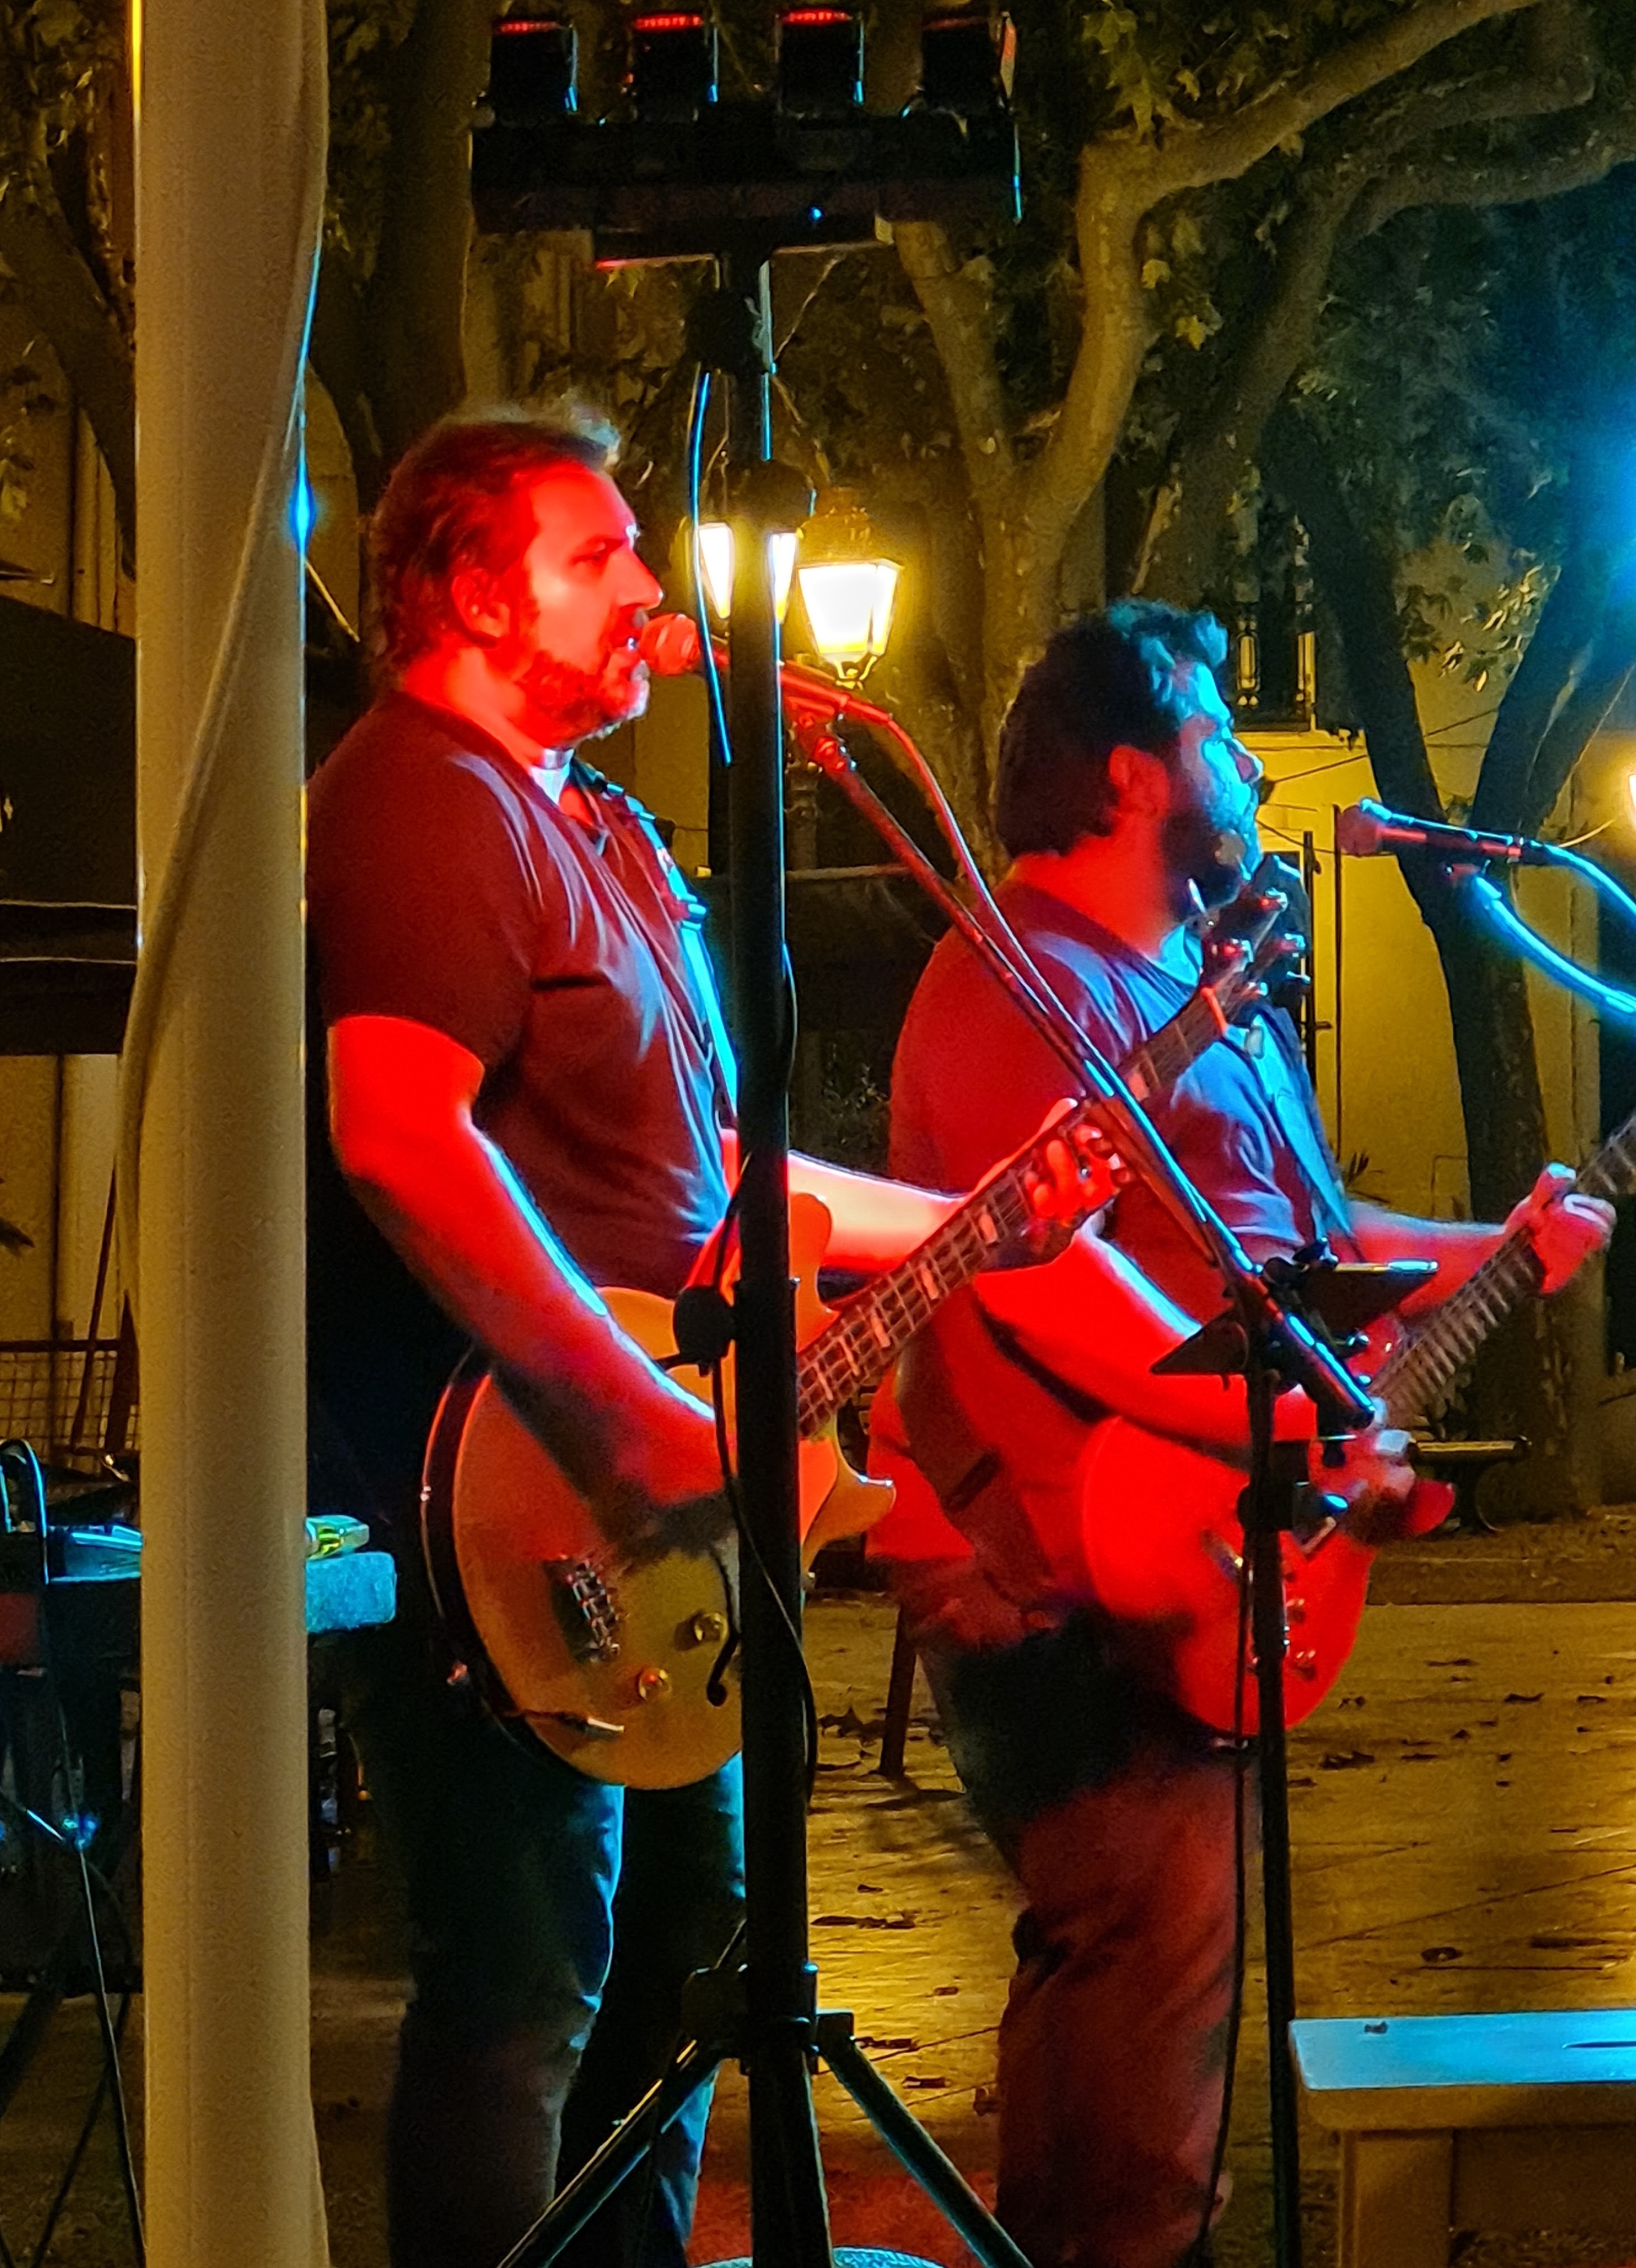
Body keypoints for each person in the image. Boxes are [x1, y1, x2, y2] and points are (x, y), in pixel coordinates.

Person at [303, 407, 1076, 2268]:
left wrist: (980, 1216)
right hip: (504, 1503)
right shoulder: (420, 796)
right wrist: (627, 1422)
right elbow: (398, 1133)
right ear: (470, 592)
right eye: (598, 557)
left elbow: (716, 1175)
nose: (649, 588)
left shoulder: (607, 830)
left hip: (666, 1514)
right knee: (524, 1983)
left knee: (677, 1969)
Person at [866, 600, 1614, 2268]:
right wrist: (1300, 1417)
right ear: (1133, 773)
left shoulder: (1217, 996)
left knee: (1155, 1971)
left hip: (1207, 1539)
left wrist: (1501, 1245)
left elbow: (1315, 1238)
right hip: (1059, 1563)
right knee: (1145, 1960)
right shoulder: (1016, 985)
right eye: (1218, 733)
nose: (1254, 774)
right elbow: (1044, 1291)